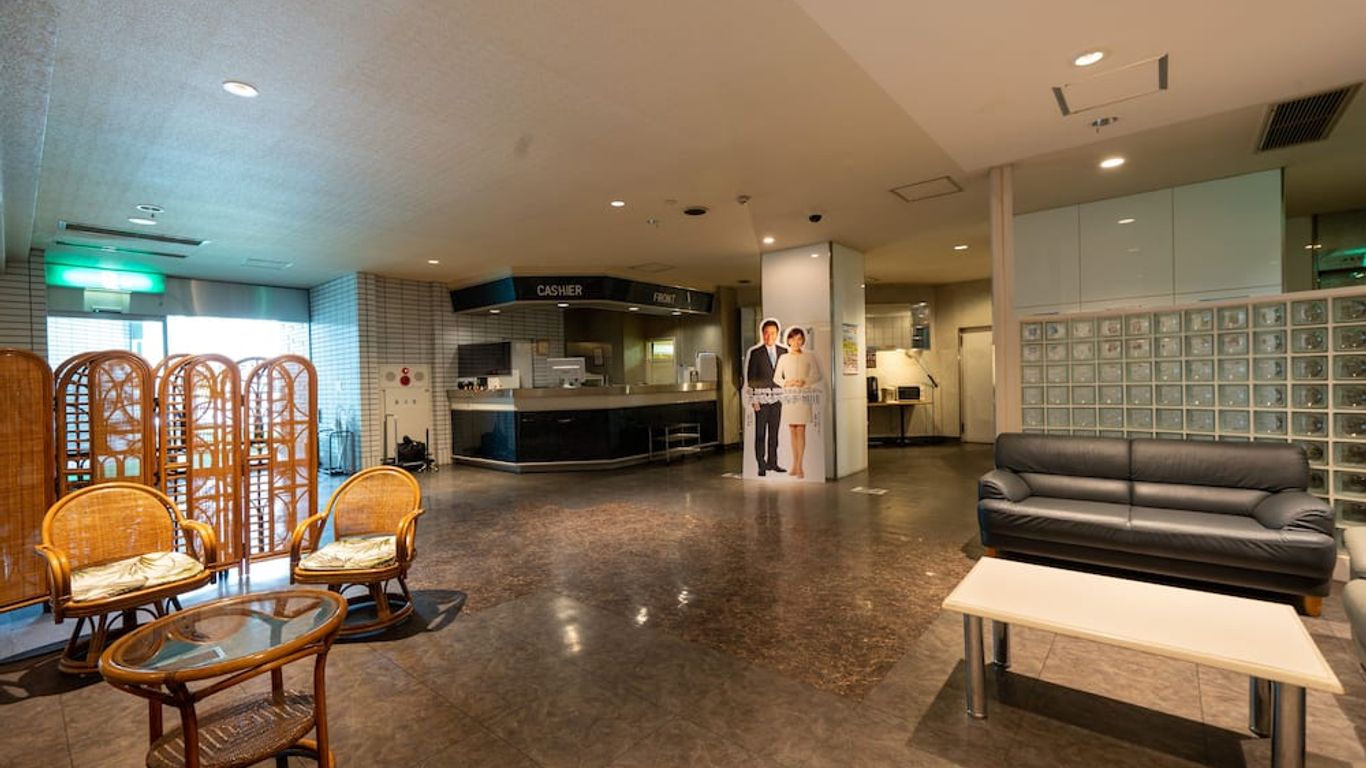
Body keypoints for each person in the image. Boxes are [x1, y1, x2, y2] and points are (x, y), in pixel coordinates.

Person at [773, 326, 822, 479]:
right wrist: (786, 382)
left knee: (801, 429)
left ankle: (800, 466)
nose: (796, 342)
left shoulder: (809, 357)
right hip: (789, 397)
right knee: (792, 430)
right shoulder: (783, 358)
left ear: (803, 341)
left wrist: (804, 381)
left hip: (802, 396)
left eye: (799, 339)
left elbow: (817, 375)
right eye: (793, 339)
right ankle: (794, 464)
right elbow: (776, 377)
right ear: (788, 340)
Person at [746, 319, 786, 476]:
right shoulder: (756, 353)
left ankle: (773, 462)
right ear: (762, 334)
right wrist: (754, 399)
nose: (770, 336)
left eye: (773, 333)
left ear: (777, 334)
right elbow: (751, 379)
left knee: (774, 433)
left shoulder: (783, 352)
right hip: (761, 400)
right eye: (767, 333)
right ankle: (761, 464)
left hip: (777, 399)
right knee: (761, 433)